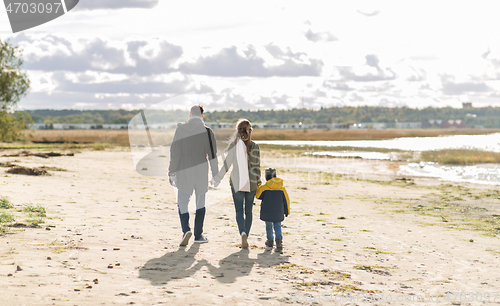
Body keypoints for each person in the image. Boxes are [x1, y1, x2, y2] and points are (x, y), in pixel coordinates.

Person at [169, 105, 218, 246]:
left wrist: (171, 172)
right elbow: (213, 155)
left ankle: (186, 230)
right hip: (201, 170)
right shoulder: (208, 132)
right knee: (200, 202)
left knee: (183, 201)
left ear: (190, 114)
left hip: (183, 169)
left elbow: (175, 152)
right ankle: (198, 235)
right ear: (202, 116)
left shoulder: (180, 129)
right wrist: (215, 175)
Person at [212, 119, 261, 249]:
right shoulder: (255, 146)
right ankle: (246, 236)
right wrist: (259, 180)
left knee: (239, 210)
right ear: (250, 130)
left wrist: (218, 178)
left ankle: (242, 233)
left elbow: (226, 165)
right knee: (249, 211)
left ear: (237, 131)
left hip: (237, 182)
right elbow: (257, 166)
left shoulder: (234, 146)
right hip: (251, 182)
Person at [255, 167, 290, 249]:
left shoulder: (264, 188)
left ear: (266, 177)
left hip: (267, 212)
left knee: (268, 226)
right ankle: (278, 240)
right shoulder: (282, 188)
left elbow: (257, 196)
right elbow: (286, 201)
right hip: (278, 212)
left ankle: (270, 241)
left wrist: (257, 186)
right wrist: (287, 211)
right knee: (277, 225)